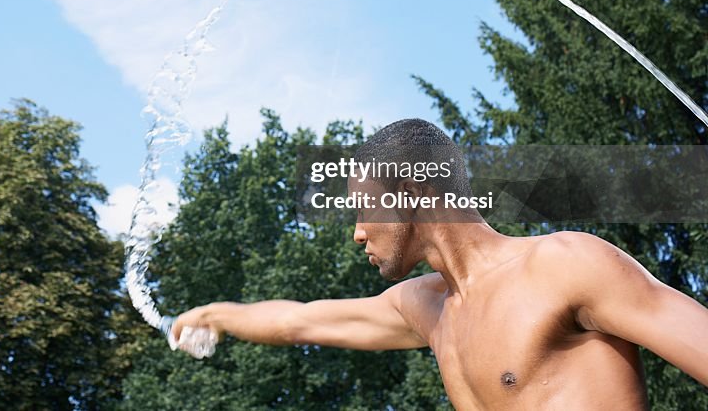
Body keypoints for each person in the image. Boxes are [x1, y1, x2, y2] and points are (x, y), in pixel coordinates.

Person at [171, 119, 708, 409]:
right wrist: (214, 314)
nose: (357, 230)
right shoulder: (426, 309)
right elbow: (300, 321)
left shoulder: (565, 266)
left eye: (363, 208)